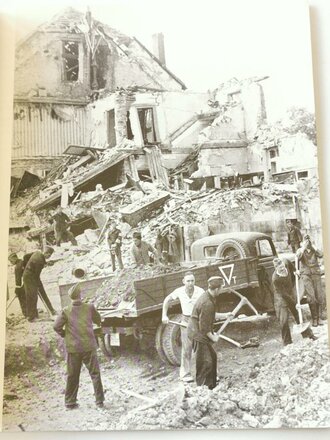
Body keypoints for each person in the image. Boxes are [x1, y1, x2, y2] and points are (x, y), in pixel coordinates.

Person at [53, 283, 105, 409]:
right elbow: (98, 320)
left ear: (70, 297)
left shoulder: (66, 310)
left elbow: (56, 326)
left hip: (73, 348)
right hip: (88, 346)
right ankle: (99, 402)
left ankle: (70, 402)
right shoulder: (89, 307)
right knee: (95, 374)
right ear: (80, 295)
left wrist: (65, 334)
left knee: (72, 375)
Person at [187, 276, 233, 390]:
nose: (221, 290)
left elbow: (210, 315)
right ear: (216, 289)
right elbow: (204, 327)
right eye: (221, 288)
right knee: (205, 363)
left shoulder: (209, 297)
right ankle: (201, 389)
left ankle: (211, 387)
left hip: (200, 331)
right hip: (198, 334)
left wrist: (225, 315)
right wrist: (213, 337)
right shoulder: (207, 302)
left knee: (212, 357)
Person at [162, 272, 204, 383]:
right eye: (188, 281)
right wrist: (164, 315)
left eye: (192, 281)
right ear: (183, 282)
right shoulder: (179, 291)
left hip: (198, 320)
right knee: (186, 348)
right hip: (185, 321)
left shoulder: (200, 291)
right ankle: (185, 374)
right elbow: (167, 300)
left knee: (203, 348)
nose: (190, 283)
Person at [272, 257, 316, 345]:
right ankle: (287, 342)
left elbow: (288, 261)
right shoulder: (276, 279)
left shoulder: (285, 262)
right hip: (281, 297)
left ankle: (309, 335)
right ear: (276, 269)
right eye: (280, 269)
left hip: (290, 292)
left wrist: (295, 270)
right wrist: (295, 303)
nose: (283, 269)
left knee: (299, 314)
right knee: (283, 320)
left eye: (283, 267)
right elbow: (284, 294)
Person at [296, 234, 326, 326]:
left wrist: (314, 246)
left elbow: (321, 254)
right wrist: (303, 247)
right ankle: (314, 318)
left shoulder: (314, 250)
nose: (308, 243)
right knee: (311, 297)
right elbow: (298, 256)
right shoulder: (301, 250)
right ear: (303, 242)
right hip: (306, 275)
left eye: (309, 241)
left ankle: (320, 318)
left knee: (319, 296)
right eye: (306, 242)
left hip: (316, 274)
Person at [23, 246, 56, 321]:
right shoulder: (39, 261)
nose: (49, 256)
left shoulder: (37, 252)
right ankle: (31, 317)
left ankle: (51, 310)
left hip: (31, 275)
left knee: (42, 292)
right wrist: (37, 285)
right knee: (32, 296)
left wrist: (46, 263)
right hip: (30, 278)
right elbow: (36, 275)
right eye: (49, 255)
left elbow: (26, 257)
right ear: (46, 253)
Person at [8, 253, 27, 317]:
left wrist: (17, 290)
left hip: (23, 285)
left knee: (22, 298)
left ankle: (26, 314)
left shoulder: (17, 267)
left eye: (11, 261)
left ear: (15, 258)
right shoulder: (22, 262)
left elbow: (18, 279)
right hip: (27, 283)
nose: (11, 262)